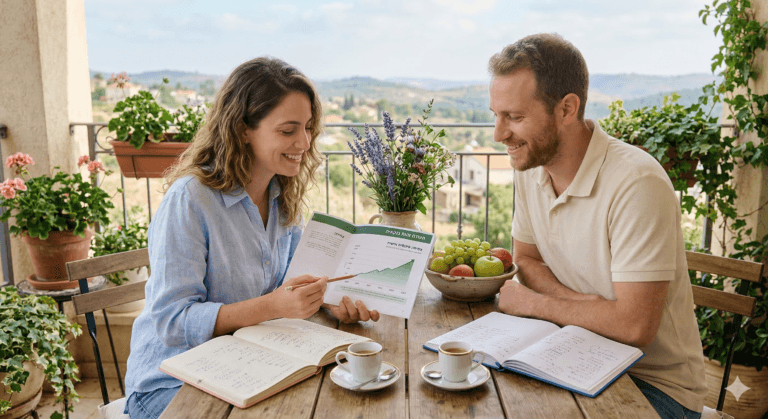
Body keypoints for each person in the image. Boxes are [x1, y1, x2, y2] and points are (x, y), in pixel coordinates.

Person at [123, 57, 380, 419]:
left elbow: (290, 284)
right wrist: (273, 307)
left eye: (308, 127)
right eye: (288, 130)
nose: (304, 142)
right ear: (244, 129)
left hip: (246, 370)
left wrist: (328, 300)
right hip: (169, 384)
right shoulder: (190, 200)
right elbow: (172, 322)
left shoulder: (282, 199)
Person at [489, 33, 707, 419]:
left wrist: (536, 304)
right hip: (573, 352)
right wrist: (585, 305)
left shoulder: (637, 183)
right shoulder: (531, 168)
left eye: (515, 117)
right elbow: (526, 259)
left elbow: (634, 326)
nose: (499, 134)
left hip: (653, 385)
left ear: (567, 109)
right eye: (497, 115)